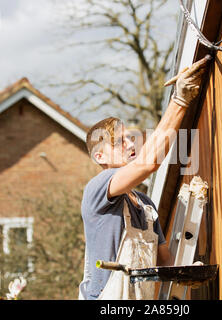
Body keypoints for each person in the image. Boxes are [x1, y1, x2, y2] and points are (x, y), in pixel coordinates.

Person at [78, 55, 212, 300]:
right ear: (99, 156)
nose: (131, 144)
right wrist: (179, 100)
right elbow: (149, 163)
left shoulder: (146, 206)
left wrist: (187, 273)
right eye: (119, 141)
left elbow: (165, 263)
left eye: (130, 138)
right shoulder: (98, 188)